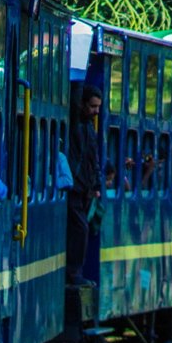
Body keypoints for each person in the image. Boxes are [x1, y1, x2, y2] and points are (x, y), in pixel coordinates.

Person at [66, 84, 102, 284]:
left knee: (83, 228)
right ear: (82, 104)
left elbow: (93, 159)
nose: (96, 111)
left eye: (98, 107)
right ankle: (73, 274)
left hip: (84, 190)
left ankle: (75, 273)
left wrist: (95, 186)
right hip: (74, 188)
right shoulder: (76, 124)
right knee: (81, 229)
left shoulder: (89, 128)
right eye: (93, 106)